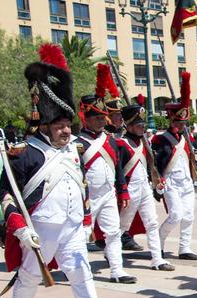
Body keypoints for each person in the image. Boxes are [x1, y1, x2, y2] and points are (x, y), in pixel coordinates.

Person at [0, 43, 123, 298]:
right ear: (45, 125)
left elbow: (79, 186)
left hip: (72, 227)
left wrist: (85, 221)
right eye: (59, 126)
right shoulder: (25, 153)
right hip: (41, 227)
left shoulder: (73, 150)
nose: (66, 131)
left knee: (82, 275)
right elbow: (7, 194)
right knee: (29, 275)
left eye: (68, 125)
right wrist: (19, 230)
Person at [76, 93, 136, 284]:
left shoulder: (109, 140)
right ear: (86, 118)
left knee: (113, 232)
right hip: (87, 197)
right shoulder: (77, 143)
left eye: (103, 117)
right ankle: (79, 271)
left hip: (108, 194)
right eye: (97, 117)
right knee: (82, 235)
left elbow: (117, 167)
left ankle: (117, 270)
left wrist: (123, 190)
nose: (102, 121)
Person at [116, 104, 174, 271]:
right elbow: (119, 171)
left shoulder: (144, 143)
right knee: (123, 225)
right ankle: (109, 250)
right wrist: (123, 191)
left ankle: (157, 258)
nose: (142, 128)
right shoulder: (121, 143)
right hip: (130, 188)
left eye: (143, 125)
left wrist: (156, 180)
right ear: (129, 125)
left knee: (152, 222)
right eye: (138, 125)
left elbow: (149, 167)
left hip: (144, 188)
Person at [93, 64, 143, 252]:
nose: (119, 119)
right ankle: (100, 238)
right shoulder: (104, 134)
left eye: (120, 116)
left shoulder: (123, 133)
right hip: (105, 177)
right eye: (115, 115)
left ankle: (125, 235)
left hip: (122, 176)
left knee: (126, 209)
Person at [152, 71, 197, 261]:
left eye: (183, 123)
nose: (181, 126)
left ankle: (184, 248)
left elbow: (192, 158)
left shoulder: (187, 138)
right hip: (170, 182)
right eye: (178, 122)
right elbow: (155, 164)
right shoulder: (160, 139)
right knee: (176, 215)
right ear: (171, 120)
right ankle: (159, 241)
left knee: (188, 216)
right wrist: (156, 183)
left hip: (187, 182)